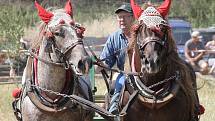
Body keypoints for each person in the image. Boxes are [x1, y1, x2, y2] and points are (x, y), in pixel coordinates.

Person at [99, 3, 135, 114]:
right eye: (119, 17)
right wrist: (100, 65)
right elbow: (106, 61)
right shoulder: (114, 37)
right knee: (119, 81)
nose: (121, 19)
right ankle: (113, 108)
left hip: (141, 73)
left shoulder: (139, 34)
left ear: (132, 18)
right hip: (123, 73)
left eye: (125, 16)